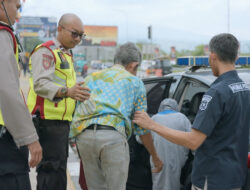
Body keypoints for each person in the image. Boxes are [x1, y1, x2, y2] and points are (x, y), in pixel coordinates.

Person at [133, 33, 250, 190]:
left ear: (212, 57)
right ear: (236, 57)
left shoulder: (216, 93)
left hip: (213, 178)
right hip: (236, 176)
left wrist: (152, 125)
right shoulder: (244, 89)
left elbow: (193, 141)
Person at [71, 42, 163, 190]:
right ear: (133, 65)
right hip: (112, 138)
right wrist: (155, 157)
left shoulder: (91, 77)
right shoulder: (135, 82)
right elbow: (142, 127)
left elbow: (77, 108)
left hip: (85, 136)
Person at [27, 13, 90, 190]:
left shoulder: (66, 54)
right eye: (74, 33)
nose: (78, 39)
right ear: (60, 29)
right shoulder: (47, 51)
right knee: (51, 173)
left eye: (81, 35)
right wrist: (68, 92)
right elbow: (41, 84)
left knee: (58, 173)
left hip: (60, 124)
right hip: (47, 122)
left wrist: (75, 91)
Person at [0, 0, 42, 189]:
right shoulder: (2, 34)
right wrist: (29, 138)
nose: (17, 15)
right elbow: (6, 89)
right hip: (5, 138)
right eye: (17, 7)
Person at [151, 98, 191, 190]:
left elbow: (140, 139)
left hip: (158, 160)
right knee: (174, 182)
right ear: (176, 107)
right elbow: (192, 139)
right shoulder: (183, 118)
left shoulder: (154, 119)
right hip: (177, 159)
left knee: (158, 182)